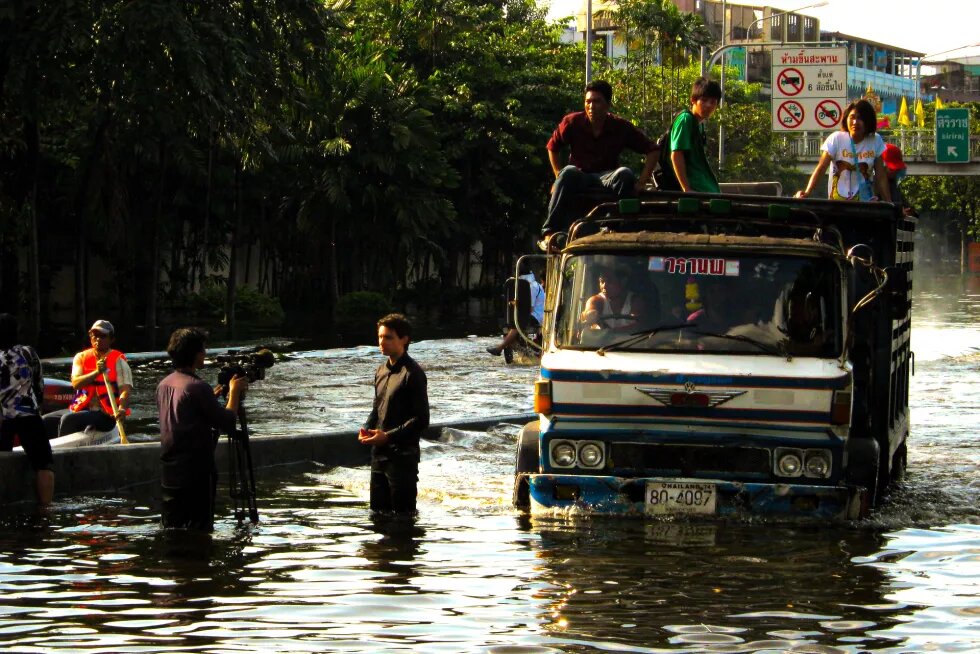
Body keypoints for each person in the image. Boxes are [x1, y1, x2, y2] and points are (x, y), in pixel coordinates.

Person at [542, 80, 658, 239]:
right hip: (579, 175)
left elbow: (653, 150)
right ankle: (549, 232)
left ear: (607, 105)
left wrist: (642, 182)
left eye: (596, 101)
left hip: (607, 176)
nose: (591, 106)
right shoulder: (572, 122)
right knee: (567, 172)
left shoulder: (620, 126)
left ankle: (613, 225)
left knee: (625, 173)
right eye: (588, 101)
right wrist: (557, 177)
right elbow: (552, 147)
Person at [157, 327, 248, 531]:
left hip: (170, 469)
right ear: (196, 354)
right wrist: (233, 393)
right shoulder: (197, 387)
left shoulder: (164, 384)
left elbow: (183, 414)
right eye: (203, 349)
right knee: (199, 527)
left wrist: (211, 399)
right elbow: (226, 421)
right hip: (195, 471)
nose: (205, 354)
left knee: (173, 525)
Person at [358, 313, 430, 515]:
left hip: (403, 457)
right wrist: (366, 428)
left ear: (404, 339)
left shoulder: (413, 373)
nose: (382, 342)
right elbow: (377, 407)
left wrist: (388, 436)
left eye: (388, 337)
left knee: (403, 518)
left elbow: (422, 419)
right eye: (380, 337)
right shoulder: (381, 370)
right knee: (377, 515)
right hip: (379, 455)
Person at [0, 313, 54, 505]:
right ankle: (45, 509)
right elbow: (39, 384)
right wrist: (38, 404)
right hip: (28, 414)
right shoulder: (28, 353)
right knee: (43, 464)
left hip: (2, 417)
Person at [795, 99, 891, 202]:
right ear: (846, 119)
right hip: (838, 205)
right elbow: (821, 168)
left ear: (868, 121)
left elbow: (881, 177)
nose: (855, 122)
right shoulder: (836, 139)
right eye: (852, 117)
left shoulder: (875, 140)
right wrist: (807, 192)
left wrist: (891, 205)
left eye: (860, 118)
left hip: (864, 206)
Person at [56, 320, 133, 437]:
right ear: (90, 337)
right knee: (46, 421)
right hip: (82, 408)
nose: (98, 339)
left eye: (103, 336)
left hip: (107, 415)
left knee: (68, 420)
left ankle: (62, 454)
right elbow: (76, 383)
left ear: (111, 339)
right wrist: (97, 372)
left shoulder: (119, 361)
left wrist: (122, 409)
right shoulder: (80, 357)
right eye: (95, 335)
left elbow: (125, 390)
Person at [668, 77, 722, 194]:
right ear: (693, 100)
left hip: (704, 188)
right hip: (695, 190)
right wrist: (686, 189)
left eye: (713, 102)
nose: (708, 105)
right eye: (704, 100)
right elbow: (676, 154)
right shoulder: (685, 119)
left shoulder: (699, 125)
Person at [487, 270, 545, 357]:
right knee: (508, 323)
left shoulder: (533, 286)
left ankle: (500, 348)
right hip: (525, 314)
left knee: (518, 323)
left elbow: (530, 308)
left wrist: (518, 305)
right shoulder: (521, 286)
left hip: (535, 316)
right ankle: (512, 345)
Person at [580, 266, 648, 332]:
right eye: (602, 281)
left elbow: (638, 325)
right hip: (601, 343)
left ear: (622, 281)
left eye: (610, 281)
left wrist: (611, 332)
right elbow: (590, 310)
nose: (604, 286)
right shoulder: (596, 300)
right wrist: (589, 314)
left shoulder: (635, 301)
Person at [882, 143, 916, 216]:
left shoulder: (894, 185)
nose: (895, 172)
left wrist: (908, 211)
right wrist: (899, 211)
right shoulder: (872, 184)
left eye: (897, 169)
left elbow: (906, 206)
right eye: (891, 169)